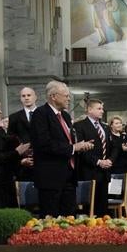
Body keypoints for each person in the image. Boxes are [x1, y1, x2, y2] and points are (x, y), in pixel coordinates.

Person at [30, 80, 94, 217]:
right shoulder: (40, 114)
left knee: (69, 217)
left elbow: (67, 141)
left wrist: (80, 146)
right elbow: (44, 144)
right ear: (53, 96)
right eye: (66, 95)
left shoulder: (64, 115)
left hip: (69, 175)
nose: (69, 98)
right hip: (50, 176)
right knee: (51, 220)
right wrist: (72, 148)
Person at [73, 99, 118, 217]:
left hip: (105, 172)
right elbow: (80, 150)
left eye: (102, 108)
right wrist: (98, 162)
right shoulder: (79, 126)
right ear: (89, 109)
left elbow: (114, 147)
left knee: (103, 207)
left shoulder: (105, 127)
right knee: (90, 208)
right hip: (89, 171)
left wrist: (110, 160)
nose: (102, 111)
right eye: (99, 109)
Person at [8, 87, 38, 180]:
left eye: (29, 95)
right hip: (23, 161)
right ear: (20, 99)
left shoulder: (44, 114)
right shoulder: (14, 117)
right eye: (23, 96)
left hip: (42, 159)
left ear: (35, 97)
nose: (26, 98)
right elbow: (11, 139)